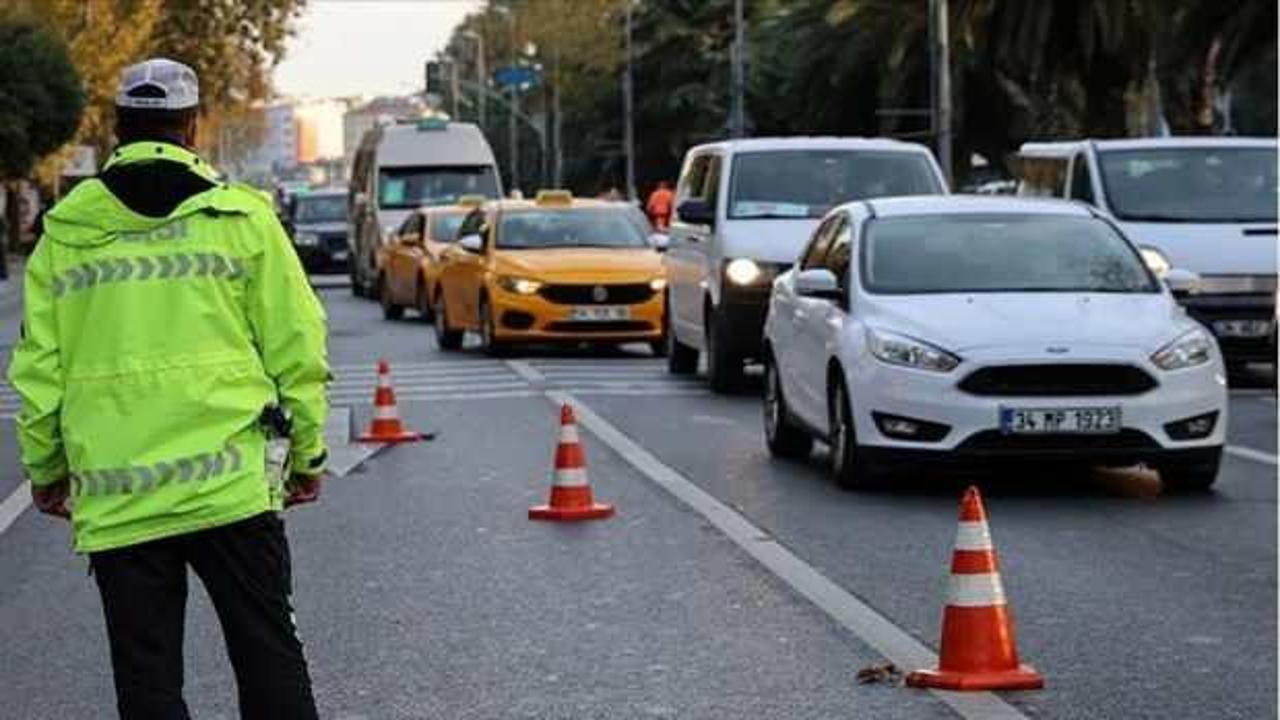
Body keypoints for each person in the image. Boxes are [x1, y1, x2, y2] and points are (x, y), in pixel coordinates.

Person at [7, 58, 330, 719]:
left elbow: (39, 369)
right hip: (231, 488)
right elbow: (299, 344)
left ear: (118, 125)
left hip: (122, 495)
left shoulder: (66, 231)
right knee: (269, 657)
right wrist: (309, 452)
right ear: (192, 126)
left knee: (147, 681)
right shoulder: (241, 217)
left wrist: (46, 468)